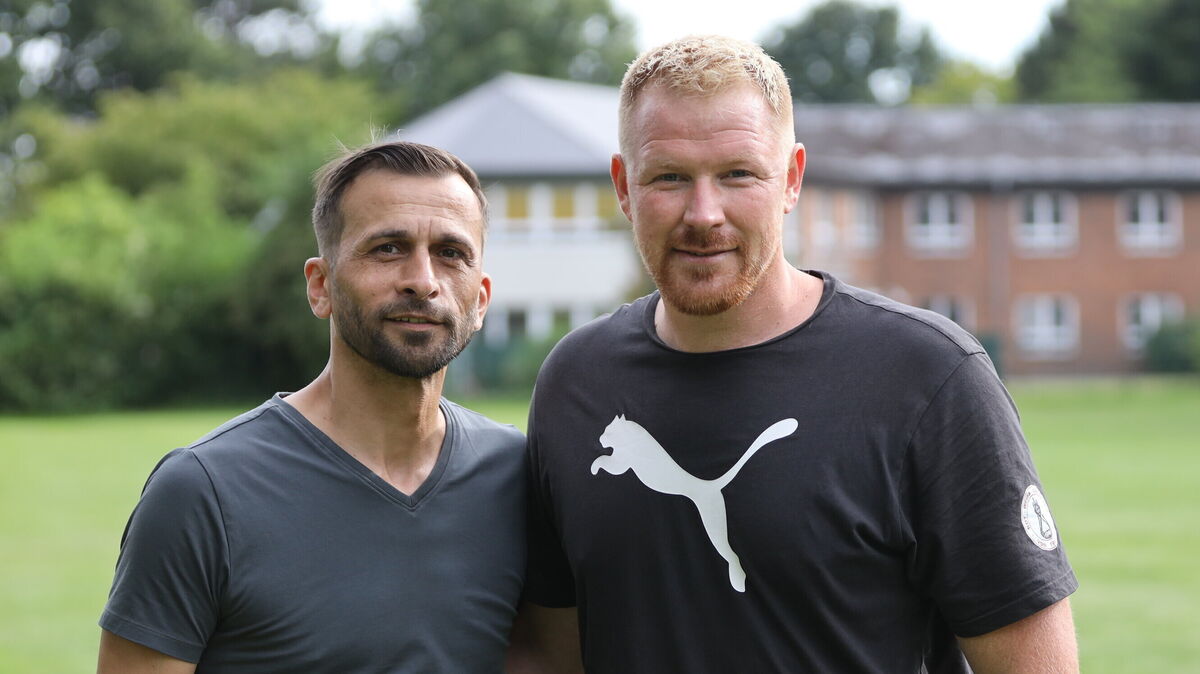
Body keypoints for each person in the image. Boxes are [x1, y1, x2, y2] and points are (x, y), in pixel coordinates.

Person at [524, 36, 1079, 672]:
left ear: (791, 178)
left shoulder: (927, 377)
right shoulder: (576, 383)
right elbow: (550, 656)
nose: (704, 214)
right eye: (669, 177)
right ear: (625, 187)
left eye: (738, 174)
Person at [98, 140, 530, 672]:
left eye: (451, 253)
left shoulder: (519, 475)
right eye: (388, 248)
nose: (422, 281)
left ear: (481, 299)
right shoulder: (202, 493)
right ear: (320, 286)